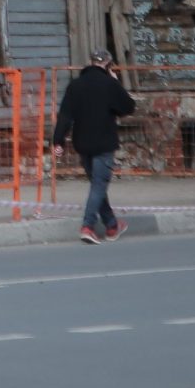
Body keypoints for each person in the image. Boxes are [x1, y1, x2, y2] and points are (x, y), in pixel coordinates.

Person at [50, 49, 139, 245]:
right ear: (107, 64)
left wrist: (58, 141)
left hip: (82, 144)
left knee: (97, 186)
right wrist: (116, 82)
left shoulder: (75, 85)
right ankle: (88, 226)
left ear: (90, 63)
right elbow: (128, 107)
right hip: (104, 143)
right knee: (99, 185)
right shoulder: (109, 84)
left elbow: (65, 115)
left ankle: (112, 225)